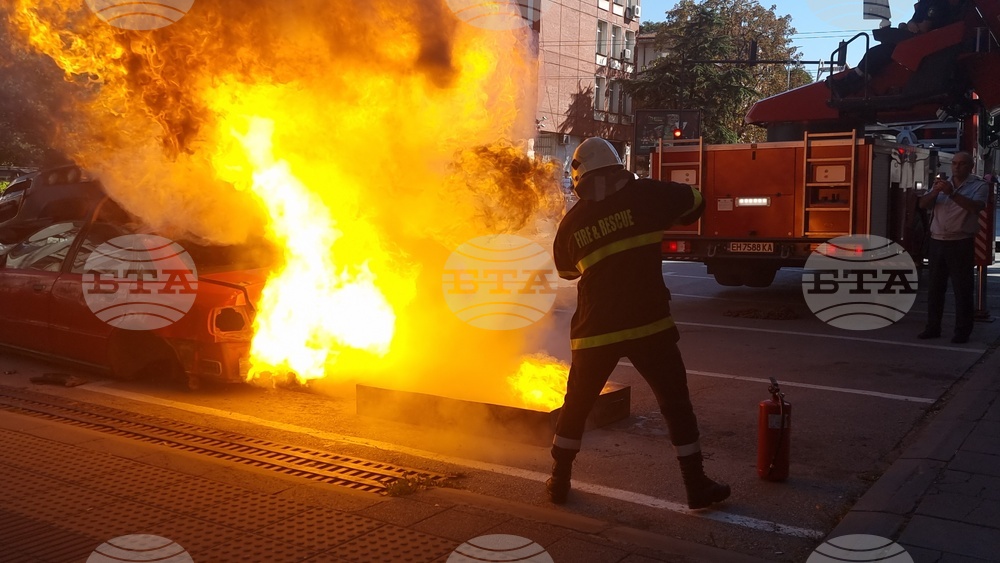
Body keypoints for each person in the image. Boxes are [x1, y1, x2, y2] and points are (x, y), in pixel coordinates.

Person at [547, 137, 730, 509]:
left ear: (579, 178)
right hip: (649, 325)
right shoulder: (646, 195)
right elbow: (695, 202)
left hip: (595, 331)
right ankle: (696, 486)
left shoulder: (571, 223)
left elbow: (566, 273)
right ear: (618, 167)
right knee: (675, 404)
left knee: (576, 407)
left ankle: (559, 481)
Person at [917, 151, 989, 344]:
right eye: (955, 163)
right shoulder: (941, 184)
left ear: (970, 167)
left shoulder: (979, 185)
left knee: (962, 289)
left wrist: (952, 193)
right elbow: (922, 204)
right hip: (937, 241)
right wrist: (934, 192)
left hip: (960, 242)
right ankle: (932, 327)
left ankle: (962, 331)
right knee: (934, 289)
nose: (956, 167)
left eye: (962, 164)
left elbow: (975, 207)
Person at [826, 0, 963, 98]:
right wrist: (910, 25)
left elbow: (924, 28)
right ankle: (849, 83)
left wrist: (912, 26)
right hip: (917, 44)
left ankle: (850, 85)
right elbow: (911, 23)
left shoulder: (937, 4)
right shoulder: (925, 3)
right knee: (877, 52)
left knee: (877, 53)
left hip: (925, 48)